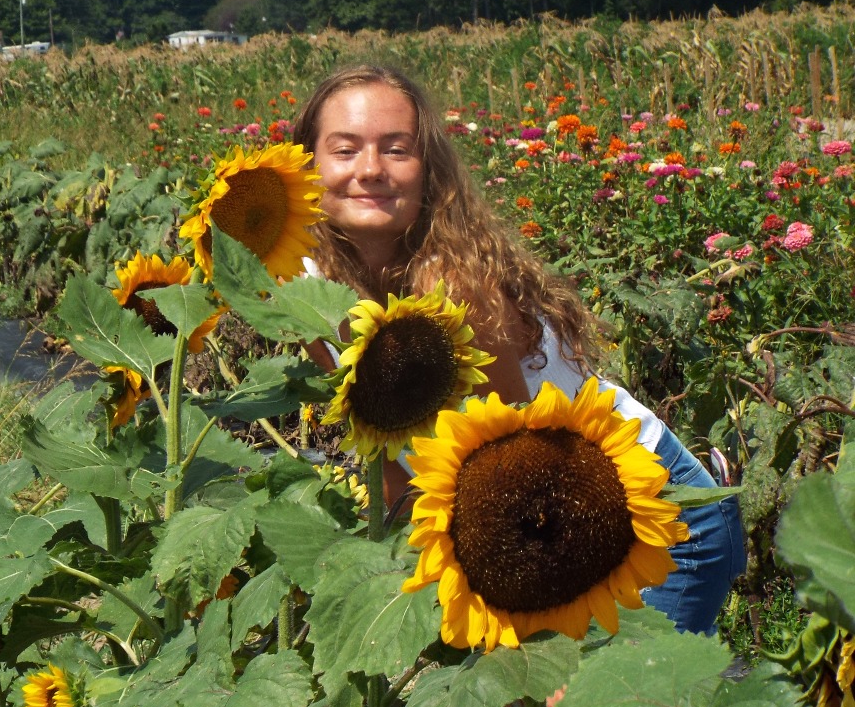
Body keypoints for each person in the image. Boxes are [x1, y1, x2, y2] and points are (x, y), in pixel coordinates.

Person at [293, 62, 745, 636]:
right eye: (345, 149)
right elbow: (382, 459)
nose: (371, 170)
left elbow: (515, 474)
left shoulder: (448, 287)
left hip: (648, 517)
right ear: (307, 163)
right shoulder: (305, 292)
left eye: (397, 150)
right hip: (550, 524)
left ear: (428, 169)